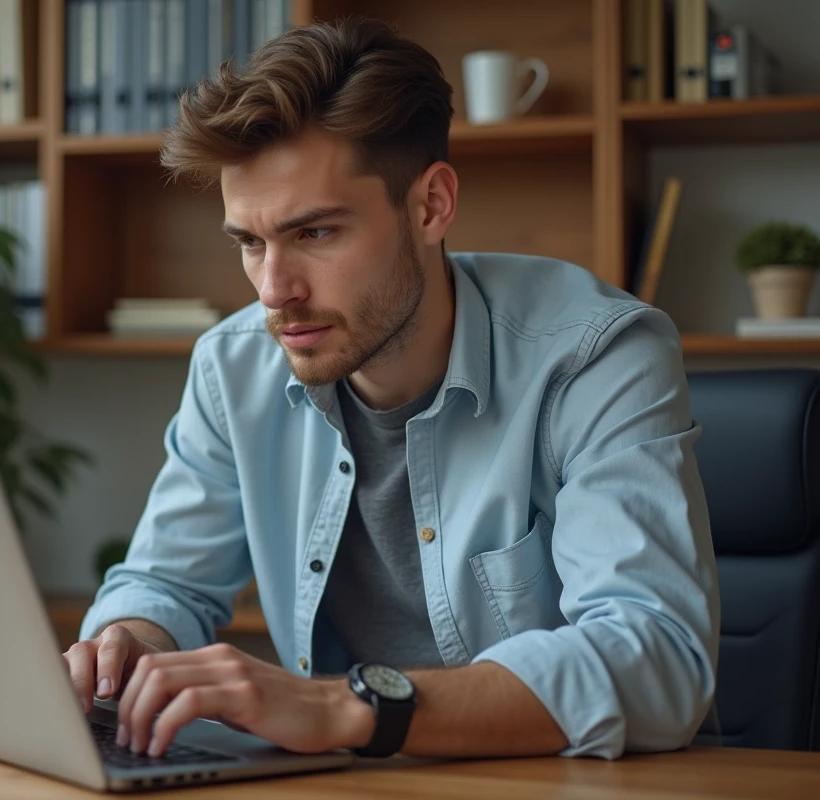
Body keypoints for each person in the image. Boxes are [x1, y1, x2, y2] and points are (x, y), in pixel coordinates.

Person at [63, 17, 719, 762]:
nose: (274, 291)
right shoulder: (232, 366)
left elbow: (658, 657)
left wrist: (341, 707)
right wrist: (123, 646)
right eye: (250, 242)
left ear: (432, 205)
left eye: (316, 233)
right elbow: (166, 585)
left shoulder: (598, 356)